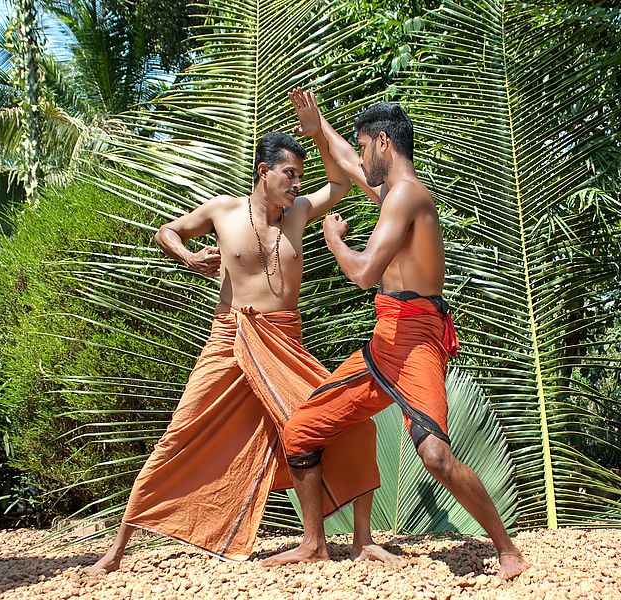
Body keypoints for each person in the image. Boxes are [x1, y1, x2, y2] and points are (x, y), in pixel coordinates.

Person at [89, 90, 396, 573]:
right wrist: (189, 258)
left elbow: (338, 183)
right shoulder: (222, 212)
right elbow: (166, 232)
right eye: (288, 175)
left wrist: (317, 133)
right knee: (180, 435)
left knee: (353, 424)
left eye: (299, 175)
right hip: (230, 341)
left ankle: (360, 540)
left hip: (284, 343)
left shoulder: (298, 214)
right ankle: (119, 547)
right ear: (263, 172)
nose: (297, 184)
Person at [262, 94, 531, 580]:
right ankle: (314, 544)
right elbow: (345, 159)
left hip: (418, 338)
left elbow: (365, 274)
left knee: (434, 454)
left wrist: (335, 242)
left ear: (383, 143)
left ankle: (506, 547)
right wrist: (318, 124)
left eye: (367, 147)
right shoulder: (394, 194)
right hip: (385, 340)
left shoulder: (406, 195)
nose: (362, 158)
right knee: (302, 431)